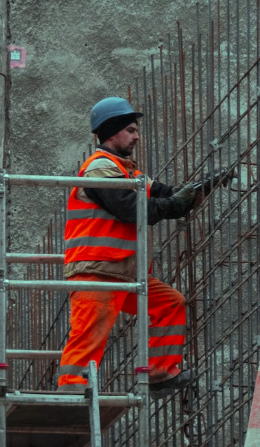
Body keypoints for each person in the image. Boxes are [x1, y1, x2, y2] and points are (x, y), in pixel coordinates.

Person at [57, 97, 199, 398]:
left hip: (123, 273)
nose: (137, 136)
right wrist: (176, 202)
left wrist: (202, 188)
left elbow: (168, 196)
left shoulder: (129, 174)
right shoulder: (99, 169)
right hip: (97, 270)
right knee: (88, 337)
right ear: (111, 132)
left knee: (170, 303)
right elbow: (129, 207)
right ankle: (71, 393)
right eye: (131, 130)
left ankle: (160, 373)